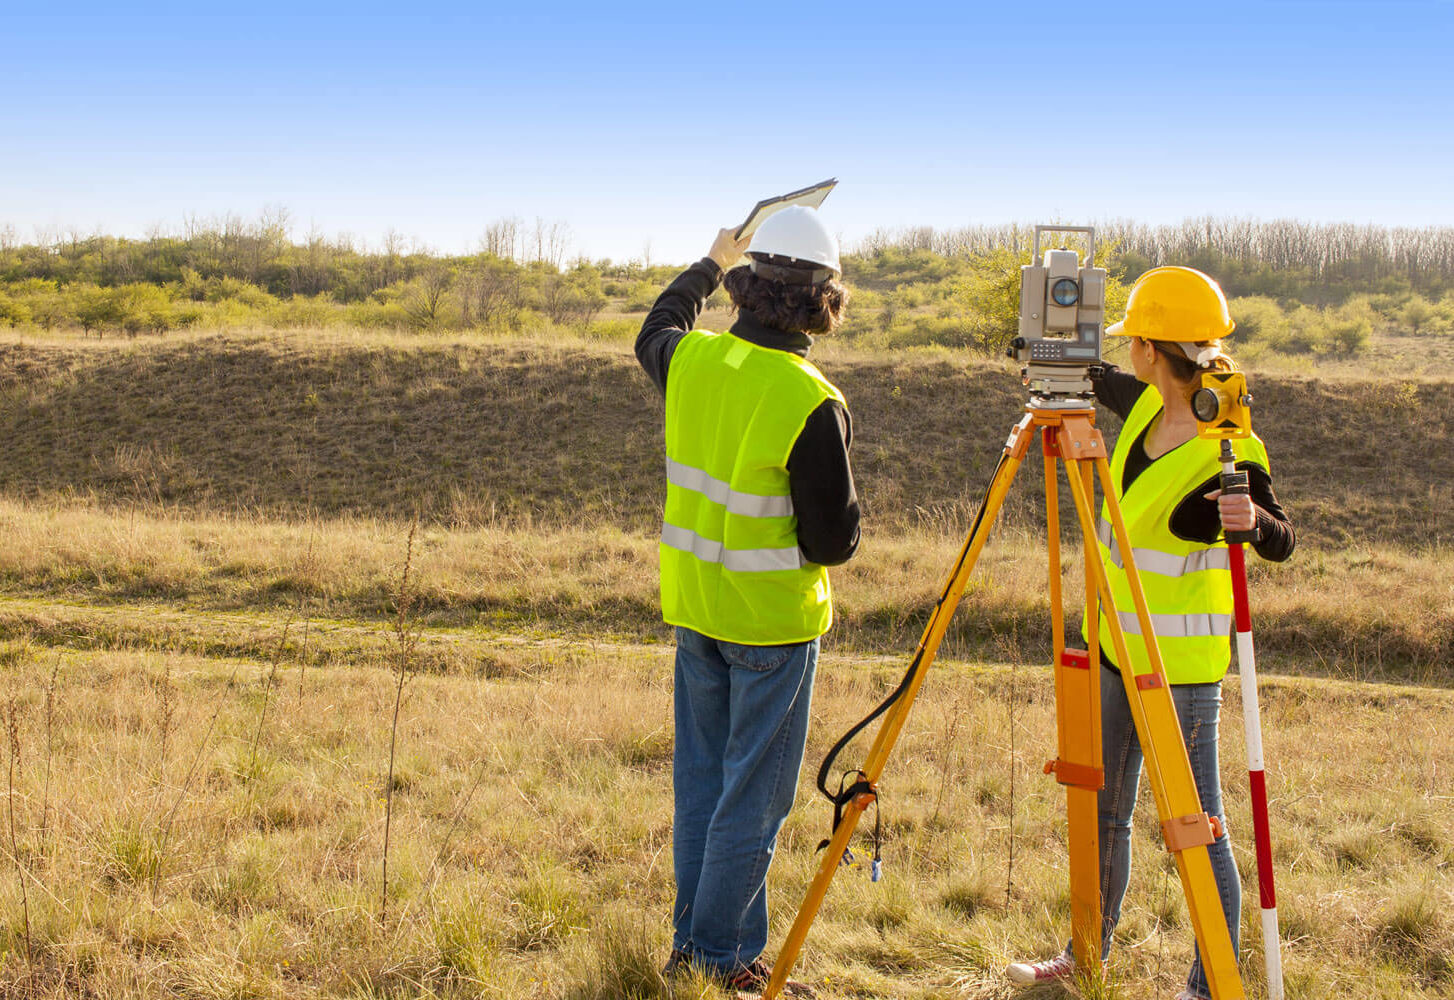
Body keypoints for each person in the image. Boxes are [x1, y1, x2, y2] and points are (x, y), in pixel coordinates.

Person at [1005, 266, 1295, 1000]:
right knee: (1104, 812)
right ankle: (1087, 954)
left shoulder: (1228, 445)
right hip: (1111, 652)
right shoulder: (1141, 410)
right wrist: (1045, 348)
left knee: (1197, 828)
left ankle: (1210, 983)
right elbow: (1097, 378)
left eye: (1131, 339)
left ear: (1150, 350)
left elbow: (1282, 537)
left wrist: (1253, 523)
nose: (1124, 353)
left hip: (1182, 676)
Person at [634, 206, 860, 995]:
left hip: (696, 610)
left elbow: (655, 327)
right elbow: (832, 542)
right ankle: (719, 959)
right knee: (752, 804)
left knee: (703, 787)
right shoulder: (810, 399)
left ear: (744, 284)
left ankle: (695, 946)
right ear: (821, 301)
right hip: (770, 628)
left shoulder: (691, 361)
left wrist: (707, 261)